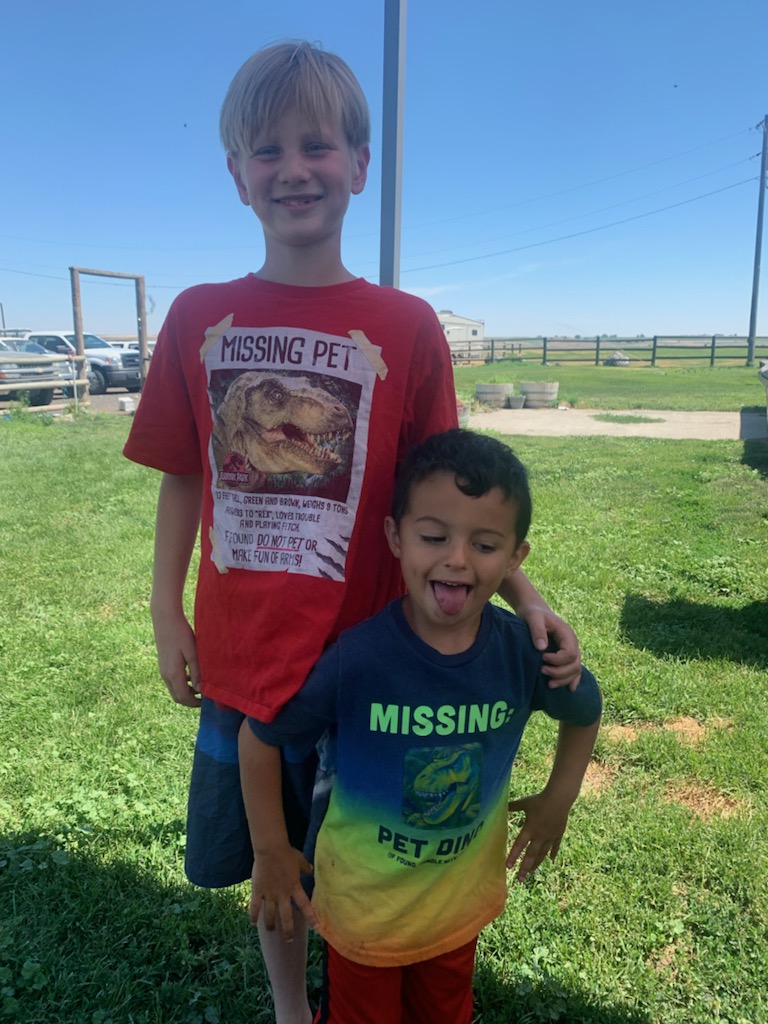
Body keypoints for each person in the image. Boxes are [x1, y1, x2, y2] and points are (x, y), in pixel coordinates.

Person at [123, 41, 582, 1024]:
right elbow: (183, 474)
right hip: (246, 662)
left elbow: (452, 499)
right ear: (237, 174)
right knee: (274, 862)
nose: (294, 169)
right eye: (268, 150)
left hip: (375, 669)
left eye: (318, 145)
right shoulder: (197, 317)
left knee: (367, 868)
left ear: (360, 166)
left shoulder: (407, 326)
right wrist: (165, 609)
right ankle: (294, 1008)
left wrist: (525, 594)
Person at [241, 429, 602, 1024]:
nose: (457, 558)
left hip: (456, 913)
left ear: (515, 558)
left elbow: (585, 710)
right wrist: (270, 851)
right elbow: (259, 735)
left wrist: (558, 800)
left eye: (484, 544)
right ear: (396, 537)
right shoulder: (358, 659)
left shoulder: (522, 654)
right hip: (363, 914)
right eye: (433, 537)